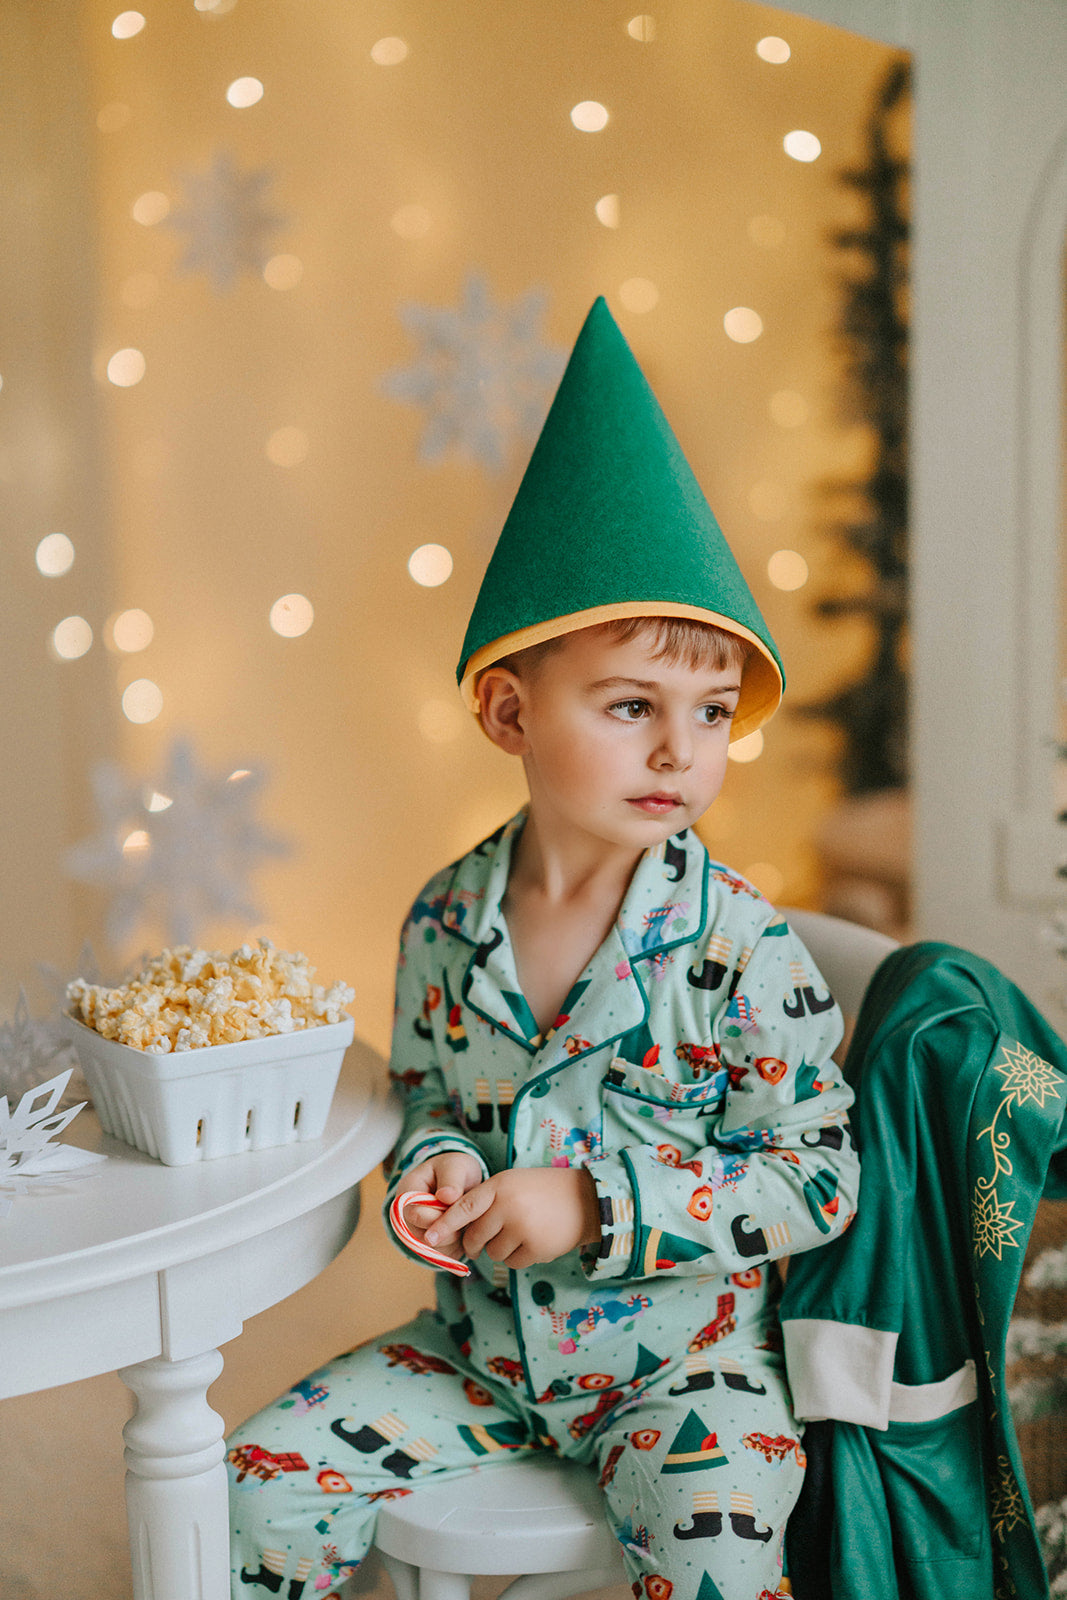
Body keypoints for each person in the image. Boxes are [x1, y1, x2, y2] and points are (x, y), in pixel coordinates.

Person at [228, 298, 860, 1600]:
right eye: (632, 707)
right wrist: (442, 1182)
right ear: (509, 711)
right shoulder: (445, 923)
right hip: (483, 1357)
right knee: (250, 1489)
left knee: (722, 1547)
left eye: (712, 713)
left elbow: (817, 1177)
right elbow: (430, 1116)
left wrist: (598, 1205)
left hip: (687, 1368)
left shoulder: (741, 945)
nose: (683, 752)